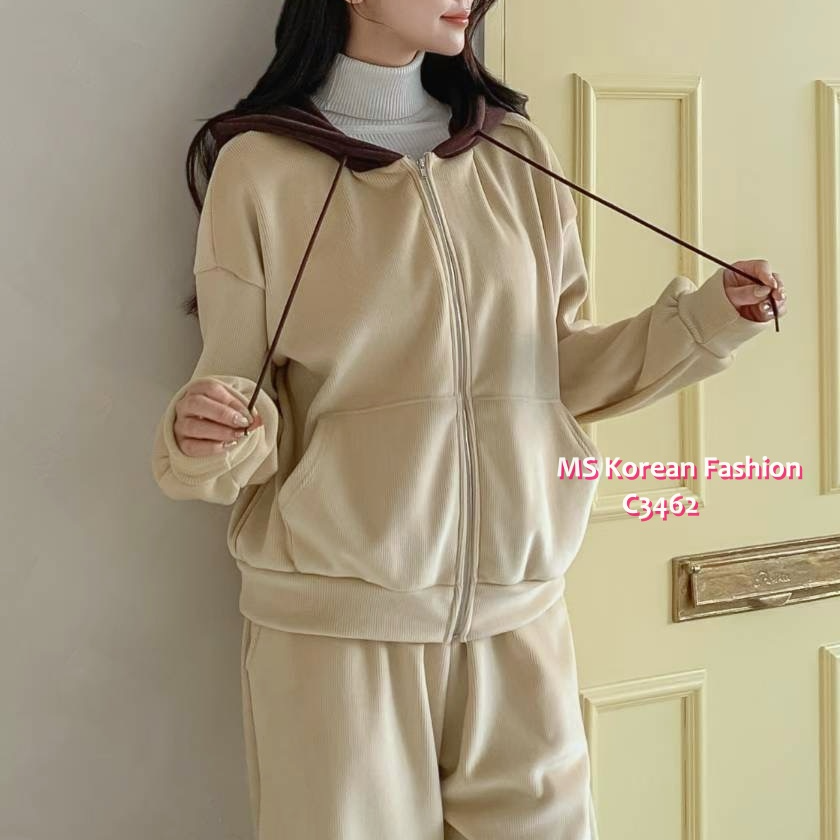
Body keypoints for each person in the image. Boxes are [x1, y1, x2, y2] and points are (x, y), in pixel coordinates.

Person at [150, 1, 788, 838]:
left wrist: (709, 319)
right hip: (341, 637)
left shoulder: (515, 152)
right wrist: (205, 435)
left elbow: (558, 371)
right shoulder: (262, 166)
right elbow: (235, 388)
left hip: (519, 626)